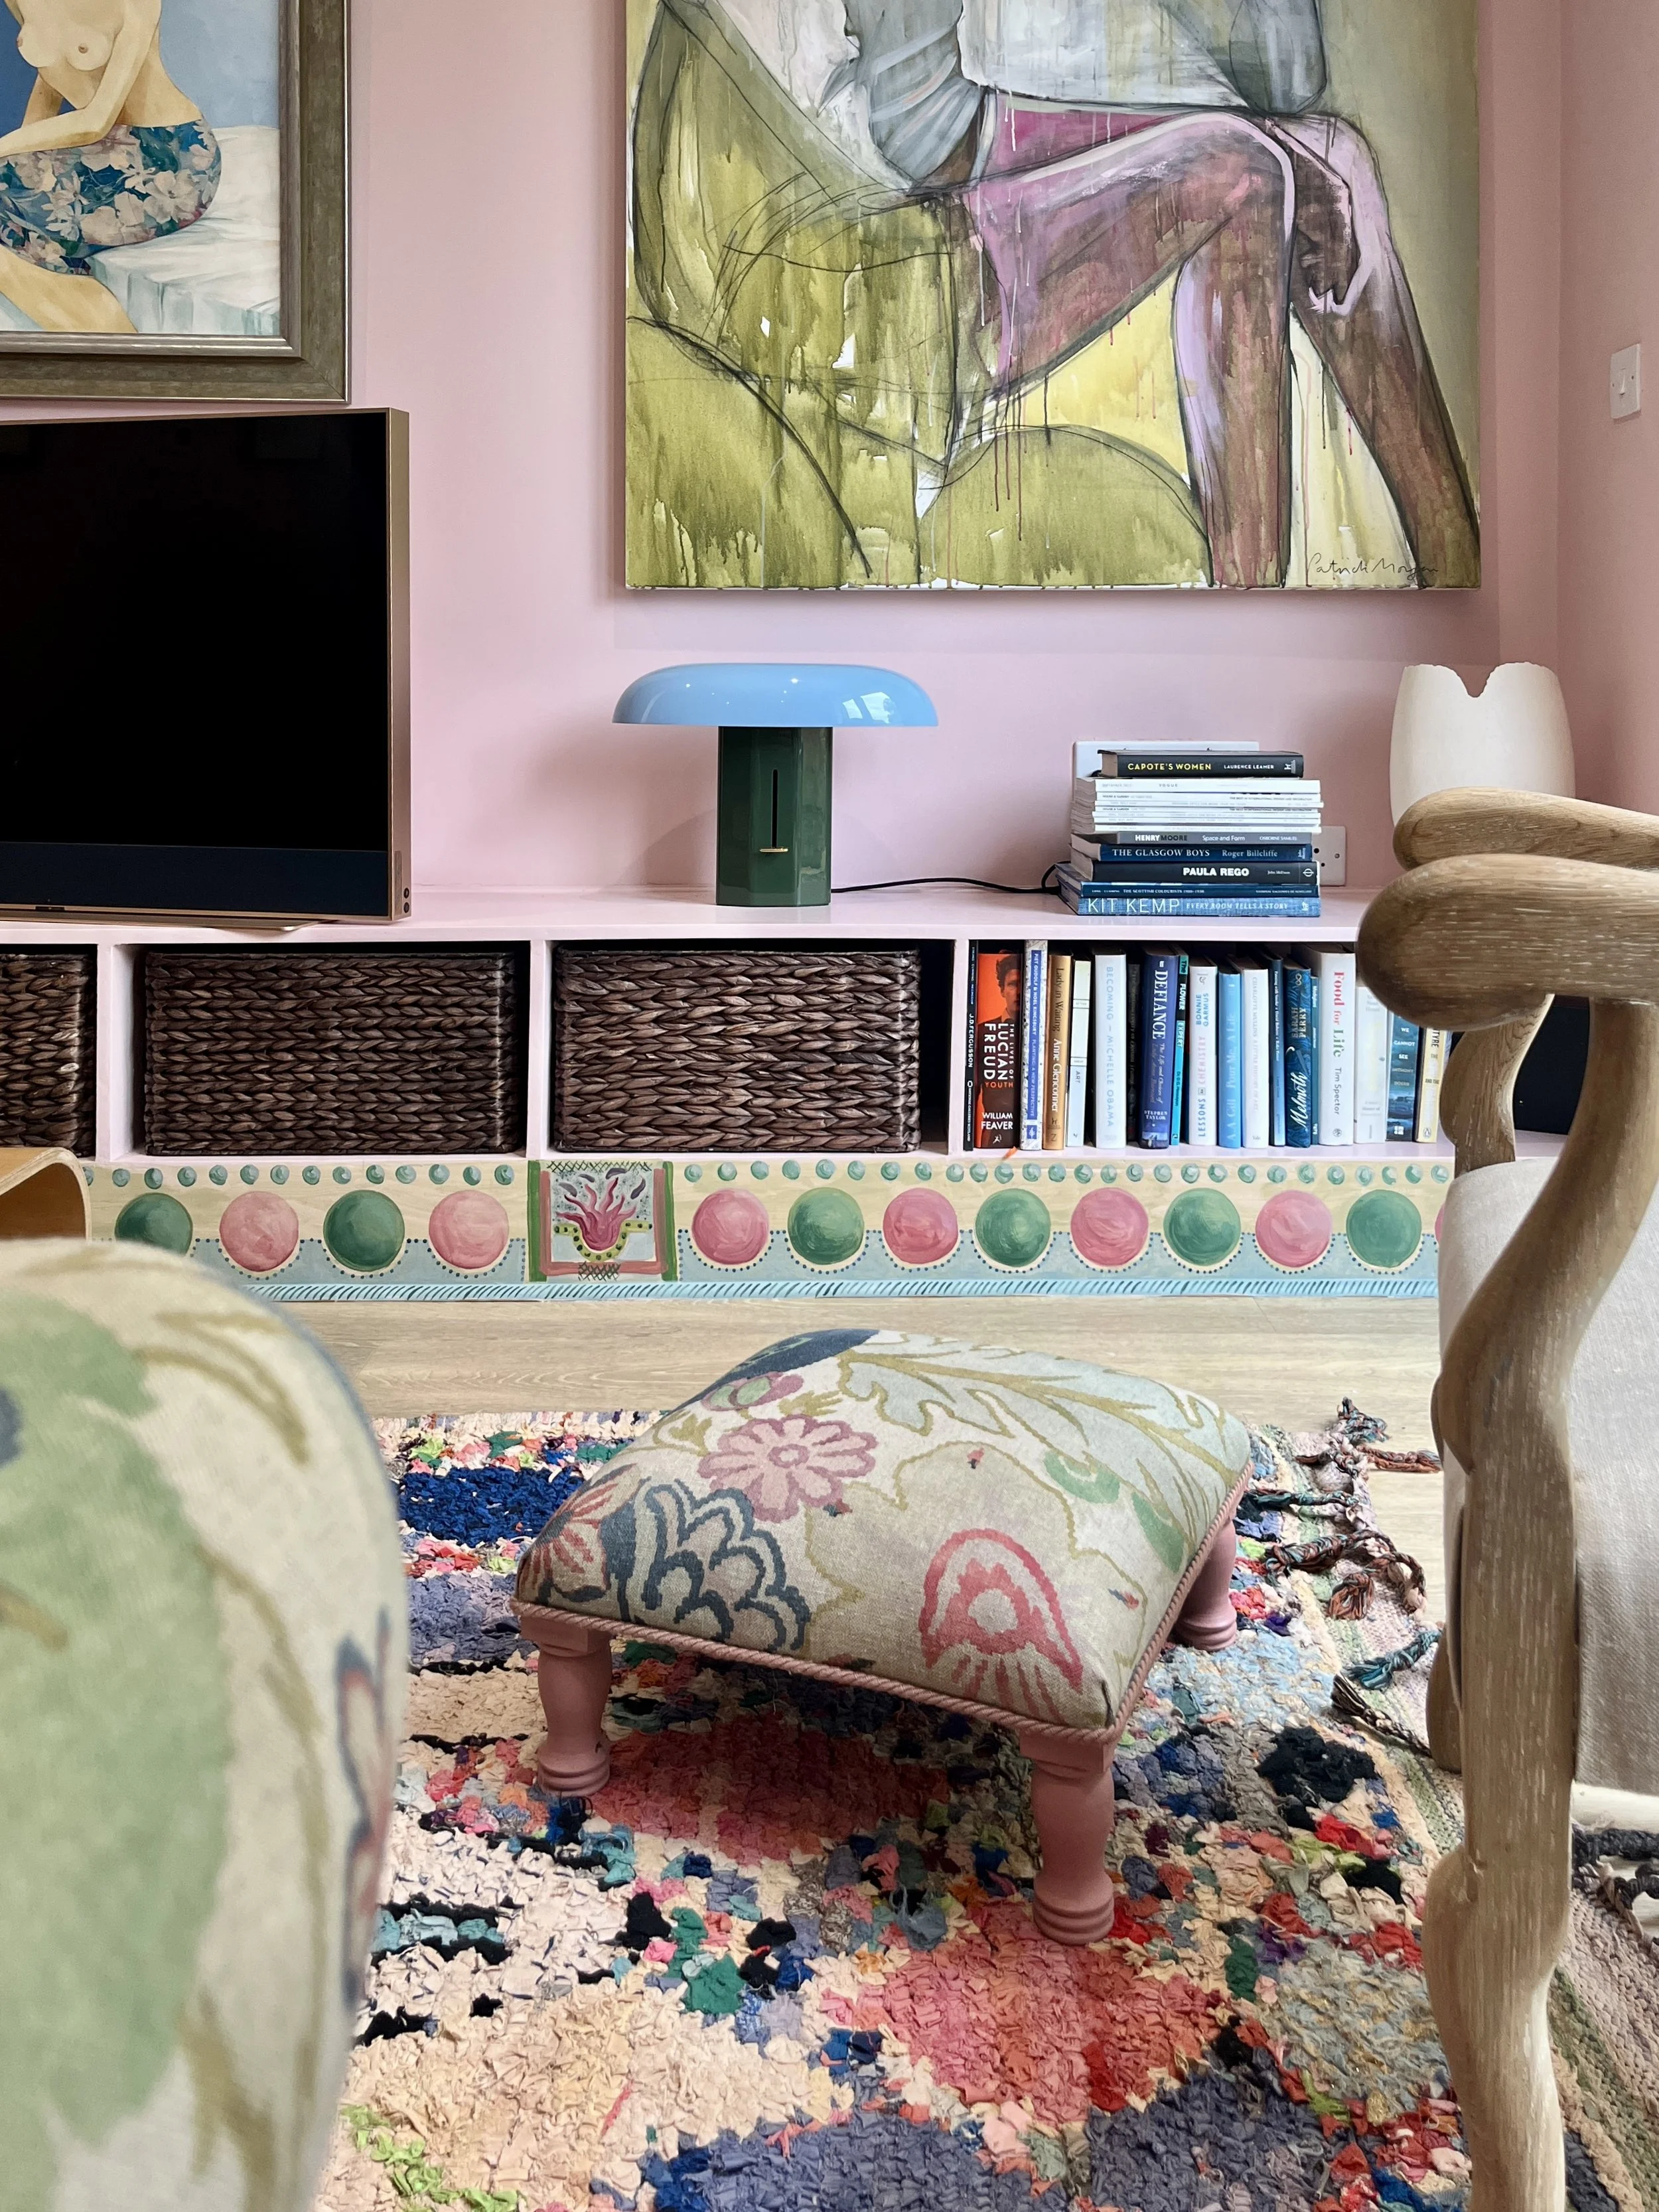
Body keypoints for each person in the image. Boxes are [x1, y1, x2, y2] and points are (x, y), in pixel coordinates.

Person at [738, 0, 1480, 588]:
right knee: (1244, 175)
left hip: (973, 150)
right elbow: (916, 128)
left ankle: (1449, 576)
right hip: (883, 238)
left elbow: (1287, 78)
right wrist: (1216, 140)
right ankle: (1246, 610)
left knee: (1333, 155)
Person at [0, 0, 219, 334]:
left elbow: (96, 121)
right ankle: (113, 347)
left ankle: (119, 347)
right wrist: (23, 168)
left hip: (172, 157)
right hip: (99, 151)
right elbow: (48, 86)